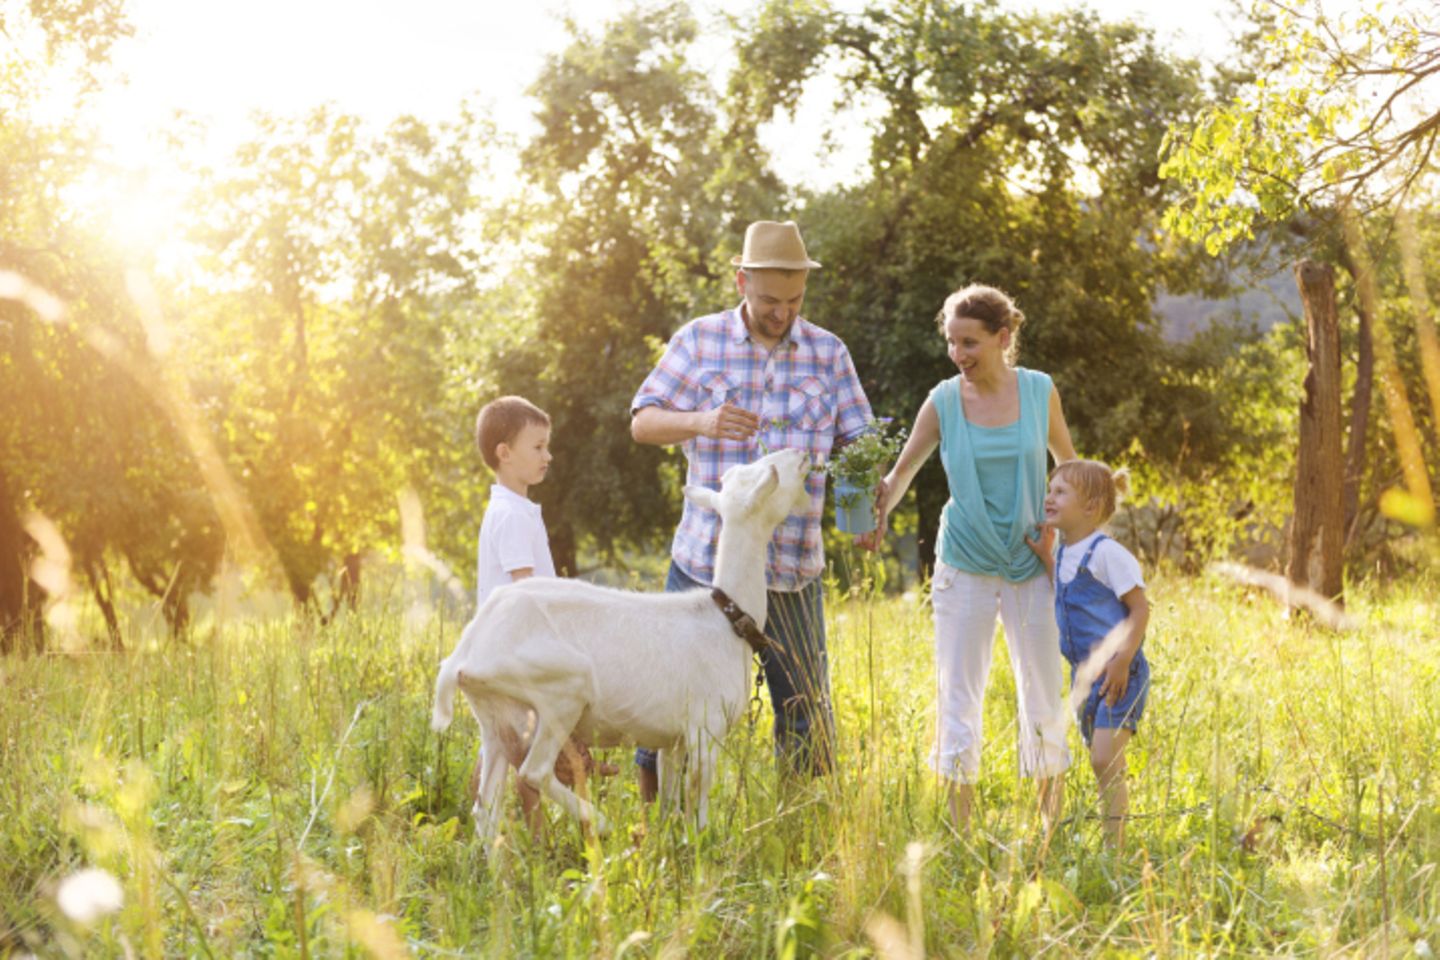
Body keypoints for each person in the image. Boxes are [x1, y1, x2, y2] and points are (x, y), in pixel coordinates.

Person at [629, 220, 875, 798]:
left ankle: (799, 840)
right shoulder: (698, 341)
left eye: (793, 301)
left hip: (791, 571)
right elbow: (643, 422)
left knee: (803, 712)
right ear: (741, 280)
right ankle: (654, 834)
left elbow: (859, 442)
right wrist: (702, 421)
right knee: (665, 706)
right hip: (703, 569)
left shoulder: (828, 353)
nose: (781, 312)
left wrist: (863, 512)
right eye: (769, 300)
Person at [872, 284, 1076, 832]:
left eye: (970, 343)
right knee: (958, 691)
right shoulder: (942, 401)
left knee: (1041, 691)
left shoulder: (1039, 392)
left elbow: (1069, 467)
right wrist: (875, 511)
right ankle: (960, 825)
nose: (958, 355)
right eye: (951, 343)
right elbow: (902, 472)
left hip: (1032, 561)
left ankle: (1048, 824)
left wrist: (1065, 534)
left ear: (1002, 338)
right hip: (963, 562)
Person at [471, 396, 611, 830]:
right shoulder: (511, 516)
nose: (548, 456)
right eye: (538, 447)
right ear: (504, 452)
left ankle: (491, 828)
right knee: (528, 747)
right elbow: (526, 592)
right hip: (515, 651)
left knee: (500, 748)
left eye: (547, 446)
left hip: (503, 649)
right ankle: (532, 840)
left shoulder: (517, 510)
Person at [1025, 460, 1150, 849]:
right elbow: (1065, 593)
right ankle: (1112, 840)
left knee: (1104, 760)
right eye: (1050, 489)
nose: (1049, 497)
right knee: (1101, 761)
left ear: (1091, 507)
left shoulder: (1107, 553)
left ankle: (1116, 850)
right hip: (1085, 677)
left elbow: (1141, 608)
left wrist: (1123, 660)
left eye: (1061, 492)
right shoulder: (1064, 552)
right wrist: (1047, 558)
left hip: (1119, 673)